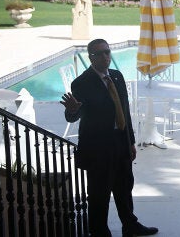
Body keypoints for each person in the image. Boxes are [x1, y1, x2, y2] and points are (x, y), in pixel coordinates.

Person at [60, 39, 158, 237]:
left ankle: (130, 225)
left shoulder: (117, 76)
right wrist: (71, 111)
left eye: (107, 52)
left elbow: (125, 111)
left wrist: (130, 141)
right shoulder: (82, 82)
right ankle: (99, 231)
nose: (106, 57)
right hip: (98, 147)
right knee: (99, 193)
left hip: (120, 141)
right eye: (100, 54)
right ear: (91, 58)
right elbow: (75, 114)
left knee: (124, 187)